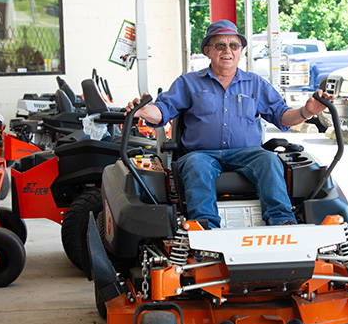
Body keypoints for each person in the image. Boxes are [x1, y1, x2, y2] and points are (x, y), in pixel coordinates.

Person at [126, 19, 330, 228]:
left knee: (269, 159)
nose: (227, 51)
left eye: (233, 46)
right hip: (202, 154)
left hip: (247, 153)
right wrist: (142, 110)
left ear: (240, 51)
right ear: (207, 51)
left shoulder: (255, 83)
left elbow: (282, 115)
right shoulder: (188, 82)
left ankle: (282, 222)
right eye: (220, 45)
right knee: (196, 165)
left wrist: (307, 111)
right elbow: (162, 110)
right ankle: (204, 227)